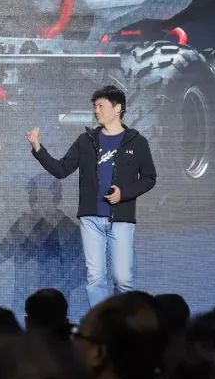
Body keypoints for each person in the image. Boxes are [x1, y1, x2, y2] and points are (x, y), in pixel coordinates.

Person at [26, 85, 157, 307]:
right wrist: (38, 148)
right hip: (91, 219)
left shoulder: (137, 141)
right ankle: (100, 321)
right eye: (94, 106)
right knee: (95, 278)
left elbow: (149, 178)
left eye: (101, 106)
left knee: (123, 279)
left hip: (121, 219)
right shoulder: (85, 140)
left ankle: (124, 320)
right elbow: (61, 169)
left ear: (117, 108)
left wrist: (124, 193)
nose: (96, 111)